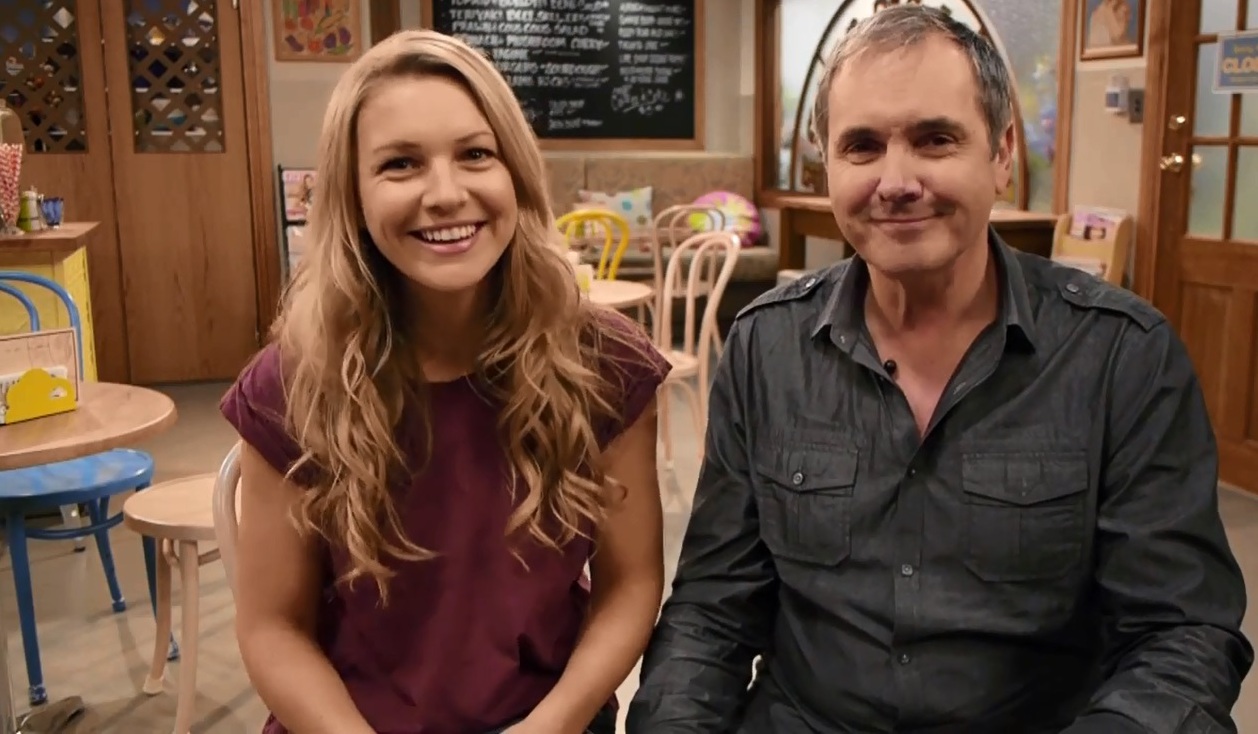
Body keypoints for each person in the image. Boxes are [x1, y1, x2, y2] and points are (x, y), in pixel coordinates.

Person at [627, 6, 1252, 734]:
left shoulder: (1121, 355)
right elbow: (712, 612)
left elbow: (1180, 635)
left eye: (935, 139)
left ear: (1002, 154)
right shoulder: (766, 347)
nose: (896, 181)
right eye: (862, 146)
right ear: (829, 165)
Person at [220, 29, 671, 734]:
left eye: (475, 155)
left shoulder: (605, 366)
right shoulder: (292, 383)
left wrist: (552, 725)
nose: (445, 194)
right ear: (351, 195)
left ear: (516, 173)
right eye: (400, 164)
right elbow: (273, 628)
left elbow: (632, 584)